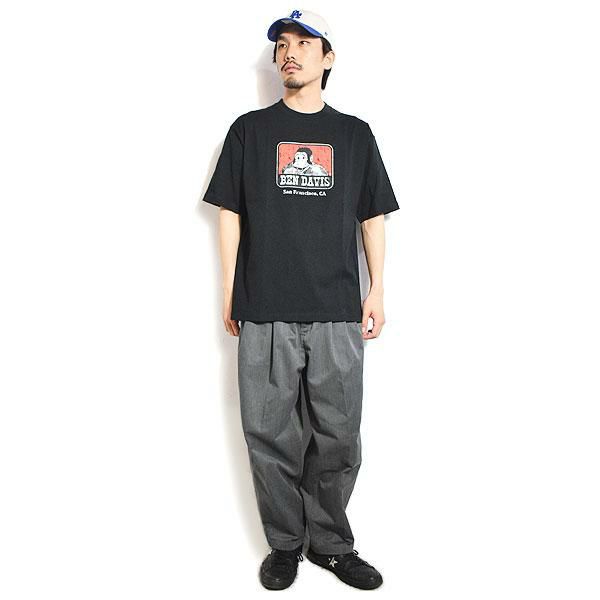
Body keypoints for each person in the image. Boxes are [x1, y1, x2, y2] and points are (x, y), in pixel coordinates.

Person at [202, 8, 399, 591]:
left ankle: (332, 545)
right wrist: (229, 288)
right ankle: (285, 544)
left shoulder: (355, 134)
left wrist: (377, 288)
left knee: (339, 437)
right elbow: (230, 213)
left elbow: (372, 216)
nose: (290, 52)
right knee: (269, 437)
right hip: (264, 307)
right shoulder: (249, 131)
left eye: (305, 43)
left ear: (328, 57)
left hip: (337, 309)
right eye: (282, 45)